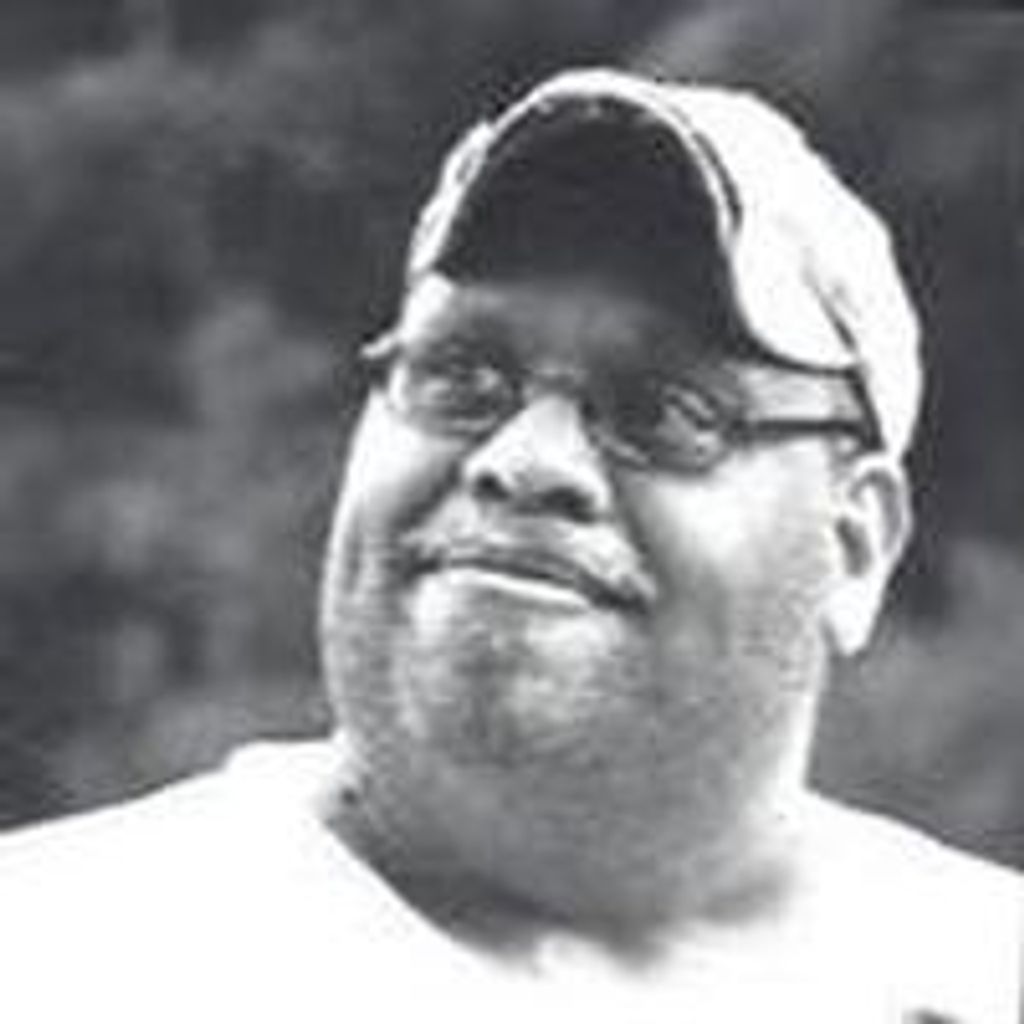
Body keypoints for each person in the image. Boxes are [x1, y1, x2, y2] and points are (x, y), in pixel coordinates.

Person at [0, 68, 1019, 1023]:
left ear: (855, 546)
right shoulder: (64, 955)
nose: (526, 460)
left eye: (666, 410)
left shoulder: (979, 968)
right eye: (459, 375)